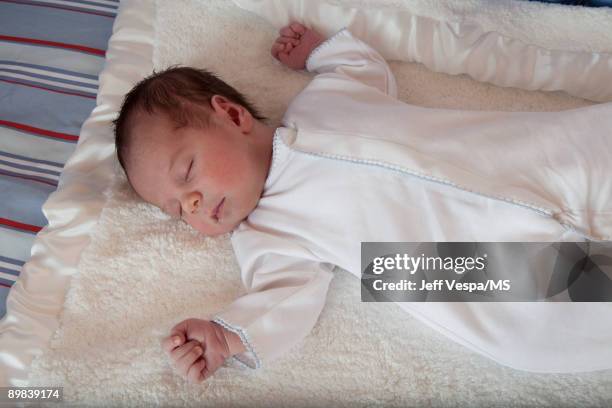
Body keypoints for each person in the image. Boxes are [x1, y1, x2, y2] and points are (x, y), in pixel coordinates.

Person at [113, 23, 612, 383]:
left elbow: (362, 66)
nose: (194, 203)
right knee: (557, 313)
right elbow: (282, 297)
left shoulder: (321, 102)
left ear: (231, 114)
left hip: (514, 157)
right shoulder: (265, 236)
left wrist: (318, 51)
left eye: (187, 173)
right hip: (470, 268)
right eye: (179, 210)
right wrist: (225, 337)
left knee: (590, 144)